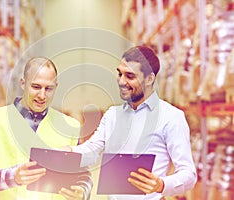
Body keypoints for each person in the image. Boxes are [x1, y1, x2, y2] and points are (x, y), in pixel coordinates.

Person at [71, 46, 197, 199]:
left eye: (130, 76)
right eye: (119, 74)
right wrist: (65, 152)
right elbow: (91, 150)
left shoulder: (171, 117)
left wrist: (161, 184)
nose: (122, 81)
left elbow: (188, 174)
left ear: (149, 79)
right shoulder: (112, 115)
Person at [0, 57, 92, 200]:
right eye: (36, 87)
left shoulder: (70, 126)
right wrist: (13, 177)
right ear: (23, 83)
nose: (42, 95)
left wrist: (82, 191)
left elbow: (84, 174)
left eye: (49, 89)